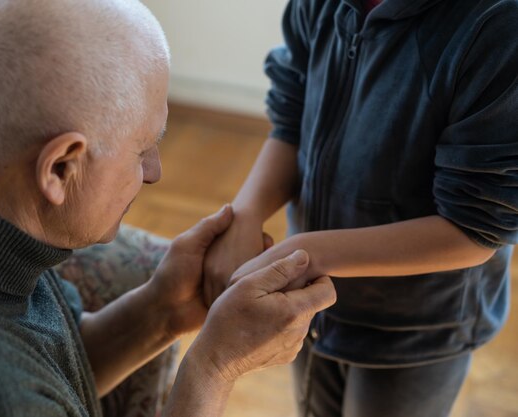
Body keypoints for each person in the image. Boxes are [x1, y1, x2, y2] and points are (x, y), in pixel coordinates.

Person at [0, 0, 338, 416]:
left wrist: (161, 310)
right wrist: (215, 366)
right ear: (61, 167)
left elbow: (53, 373)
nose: (154, 172)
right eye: (143, 148)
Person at [203, 0, 518, 416]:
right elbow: (291, 117)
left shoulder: (500, 24)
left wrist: (298, 256)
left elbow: (475, 229)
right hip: (314, 309)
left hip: (419, 330)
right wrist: (245, 216)